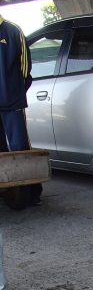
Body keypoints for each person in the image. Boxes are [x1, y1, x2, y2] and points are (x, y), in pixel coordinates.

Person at [0, 13, 42, 203]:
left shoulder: (13, 30)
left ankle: (29, 193)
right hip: (11, 99)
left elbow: (25, 69)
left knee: (20, 148)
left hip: (12, 102)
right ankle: (8, 192)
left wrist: (16, 92)